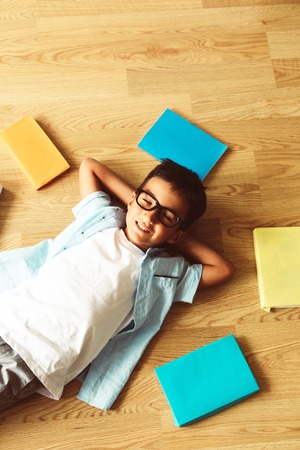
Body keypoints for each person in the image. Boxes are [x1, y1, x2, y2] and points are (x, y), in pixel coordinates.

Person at [0, 157, 234, 412]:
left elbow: (223, 269)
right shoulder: (100, 220)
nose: (150, 216)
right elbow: (90, 166)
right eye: (147, 201)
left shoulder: (163, 273)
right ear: (133, 198)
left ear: (178, 234)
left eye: (166, 216)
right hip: (8, 316)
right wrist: (140, 208)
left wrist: (172, 236)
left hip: (39, 358)